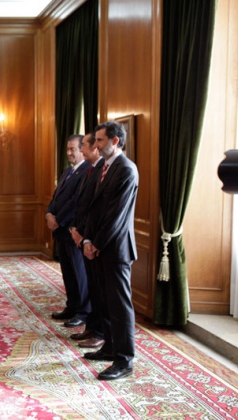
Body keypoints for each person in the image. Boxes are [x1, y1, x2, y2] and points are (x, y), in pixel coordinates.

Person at [82, 121, 139, 381]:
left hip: (115, 249)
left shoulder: (126, 169)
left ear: (115, 141)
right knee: (104, 302)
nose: (96, 145)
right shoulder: (104, 167)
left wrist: (97, 244)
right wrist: (87, 240)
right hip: (99, 246)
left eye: (101, 141)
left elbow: (117, 216)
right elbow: (95, 209)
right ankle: (110, 347)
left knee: (119, 306)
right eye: (95, 141)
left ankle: (124, 360)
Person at [47, 134, 92, 328]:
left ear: (82, 149)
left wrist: (59, 220)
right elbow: (56, 197)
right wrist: (49, 213)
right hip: (60, 231)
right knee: (67, 272)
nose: (69, 153)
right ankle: (72, 306)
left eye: (72, 149)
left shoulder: (87, 171)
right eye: (67, 149)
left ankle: (83, 311)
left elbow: (77, 202)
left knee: (78, 272)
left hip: (73, 230)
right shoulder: (68, 171)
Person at [69, 132, 105, 348]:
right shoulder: (90, 170)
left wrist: (85, 236)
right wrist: (75, 230)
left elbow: (96, 209)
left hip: (92, 239)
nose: (81, 149)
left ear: (94, 148)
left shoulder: (103, 170)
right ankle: (91, 328)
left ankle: (99, 332)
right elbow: (81, 205)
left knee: (98, 292)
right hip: (82, 235)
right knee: (91, 287)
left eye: (83, 145)